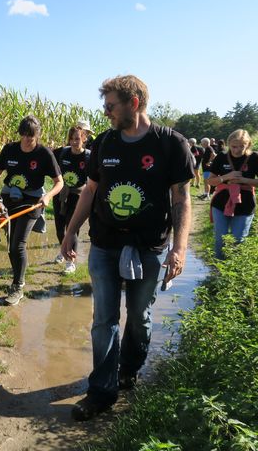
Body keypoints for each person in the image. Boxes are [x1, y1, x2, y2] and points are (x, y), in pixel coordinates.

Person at [60, 75, 194, 421]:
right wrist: (71, 231)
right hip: (105, 243)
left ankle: (129, 367)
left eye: (110, 106)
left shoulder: (170, 144)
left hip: (149, 248)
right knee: (103, 319)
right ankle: (101, 391)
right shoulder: (104, 143)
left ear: (133, 103)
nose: (106, 113)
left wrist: (179, 249)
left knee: (138, 316)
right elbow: (89, 191)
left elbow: (181, 200)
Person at [0, 115, 63, 305]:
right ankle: (17, 275)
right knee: (10, 243)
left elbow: (59, 182)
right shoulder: (9, 150)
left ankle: (18, 286)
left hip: (32, 202)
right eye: (23, 136)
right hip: (9, 201)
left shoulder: (44, 154)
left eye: (31, 137)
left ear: (37, 136)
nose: (26, 141)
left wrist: (47, 196)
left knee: (18, 243)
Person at [205, 129, 258, 259]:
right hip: (221, 203)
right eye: (234, 146)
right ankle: (219, 272)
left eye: (242, 146)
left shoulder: (254, 158)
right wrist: (226, 177)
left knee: (238, 239)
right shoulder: (222, 157)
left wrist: (244, 180)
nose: (237, 150)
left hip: (245, 203)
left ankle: (235, 271)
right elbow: (210, 181)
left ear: (248, 145)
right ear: (229, 144)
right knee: (220, 238)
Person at [53, 125, 91, 273]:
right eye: (72, 139)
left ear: (83, 138)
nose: (74, 142)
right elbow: (46, 158)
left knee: (72, 228)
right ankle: (63, 250)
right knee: (59, 229)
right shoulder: (62, 153)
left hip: (78, 195)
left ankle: (71, 261)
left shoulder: (88, 156)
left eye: (77, 138)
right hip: (61, 194)